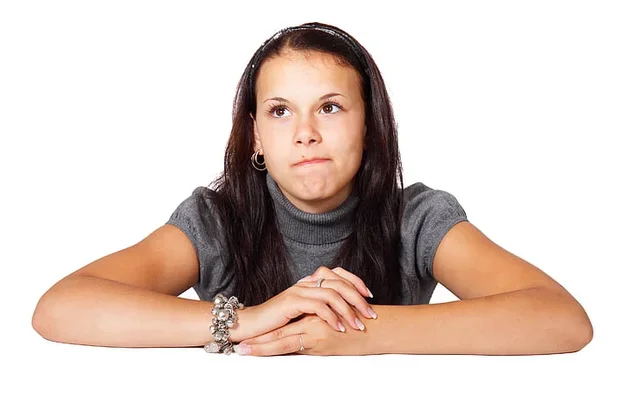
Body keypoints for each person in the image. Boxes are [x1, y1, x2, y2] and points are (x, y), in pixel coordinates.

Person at [31, 21, 593, 357]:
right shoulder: (217, 220)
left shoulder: (417, 217)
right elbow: (60, 308)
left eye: (330, 107)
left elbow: (561, 318)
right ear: (255, 136)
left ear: (370, 126)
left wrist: (361, 333)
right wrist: (248, 319)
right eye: (280, 111)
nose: (305, 133)